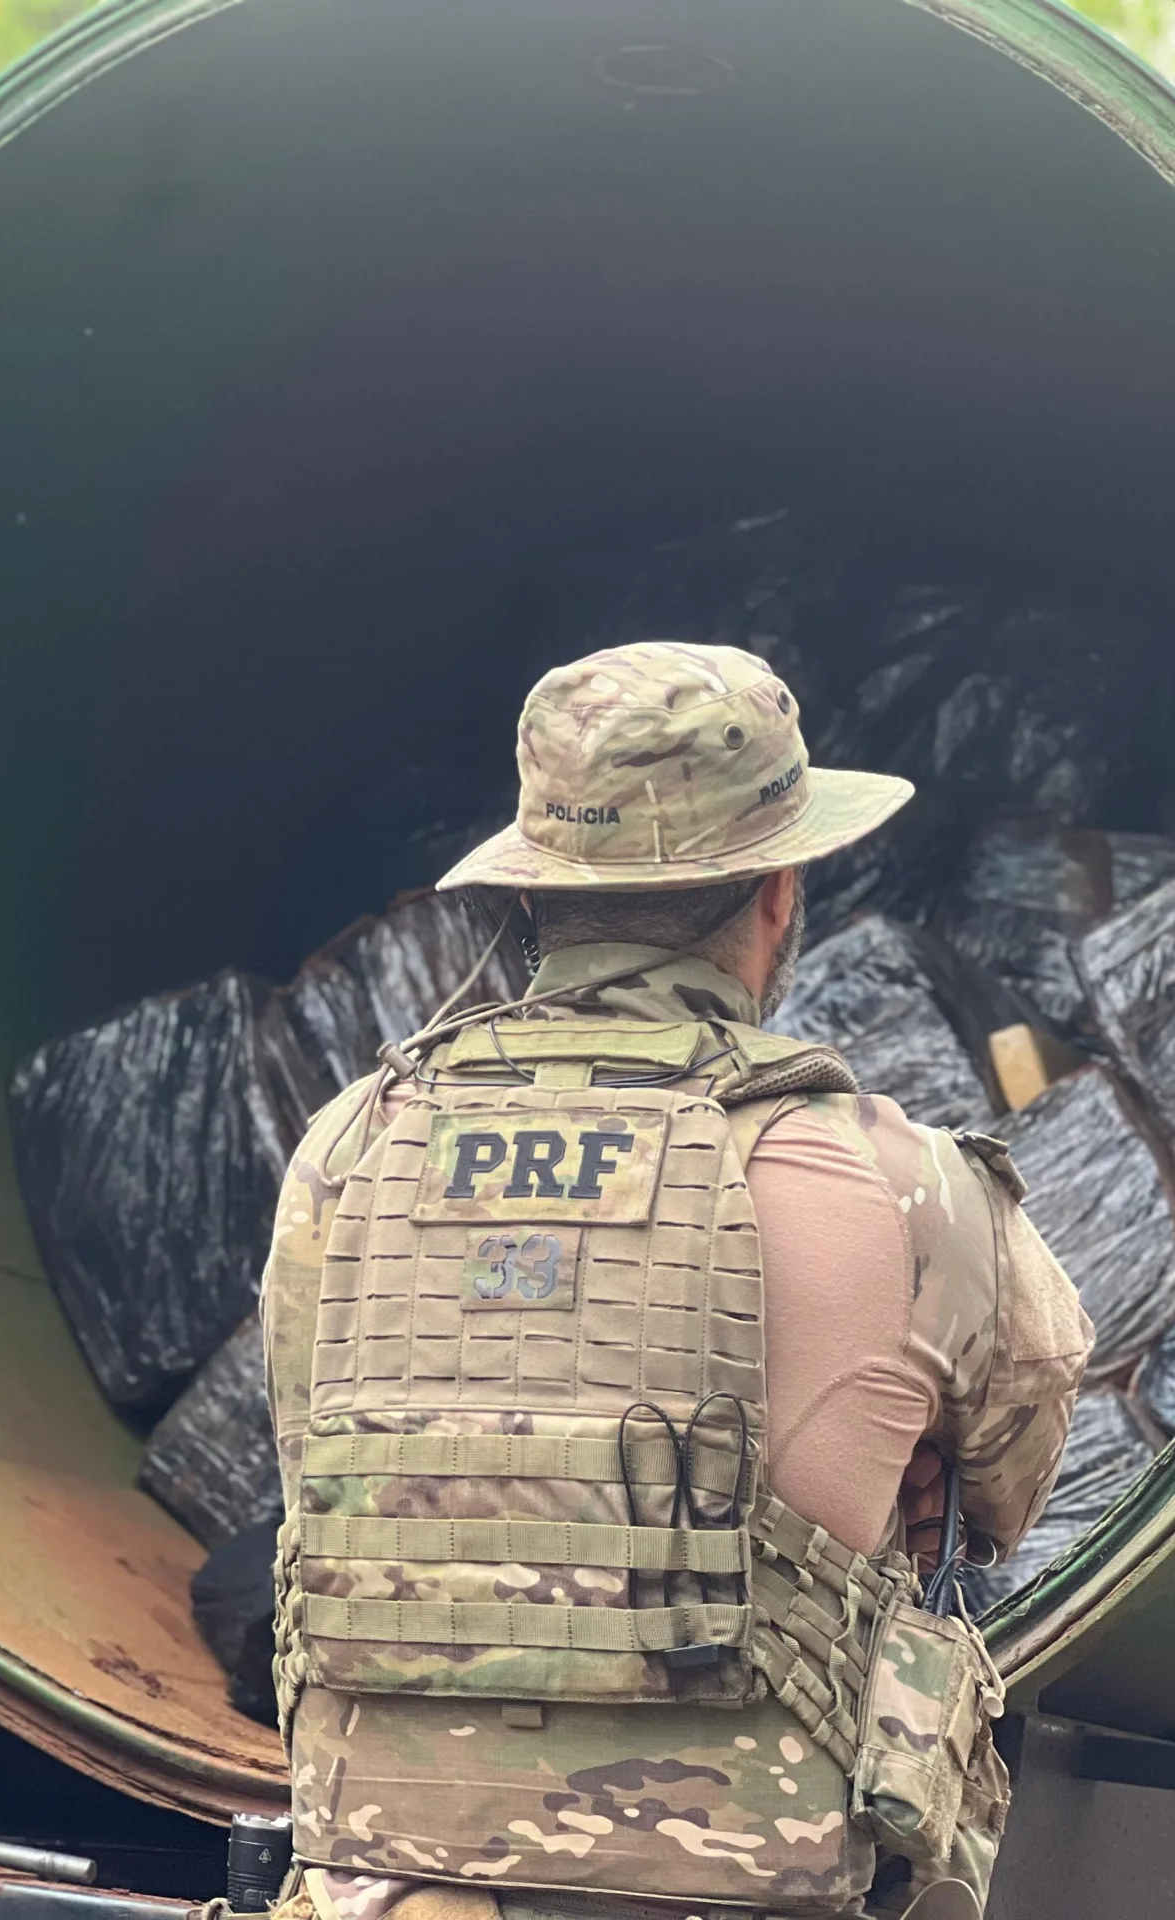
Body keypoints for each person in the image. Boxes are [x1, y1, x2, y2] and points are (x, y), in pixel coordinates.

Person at [258, 642, 1094, 1920]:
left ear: (537, 894)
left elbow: (315, 1468)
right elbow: (1005, 1497)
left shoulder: (350, 1148)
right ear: (777, 892)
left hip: (383, 1883)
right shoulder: (903, 1185)